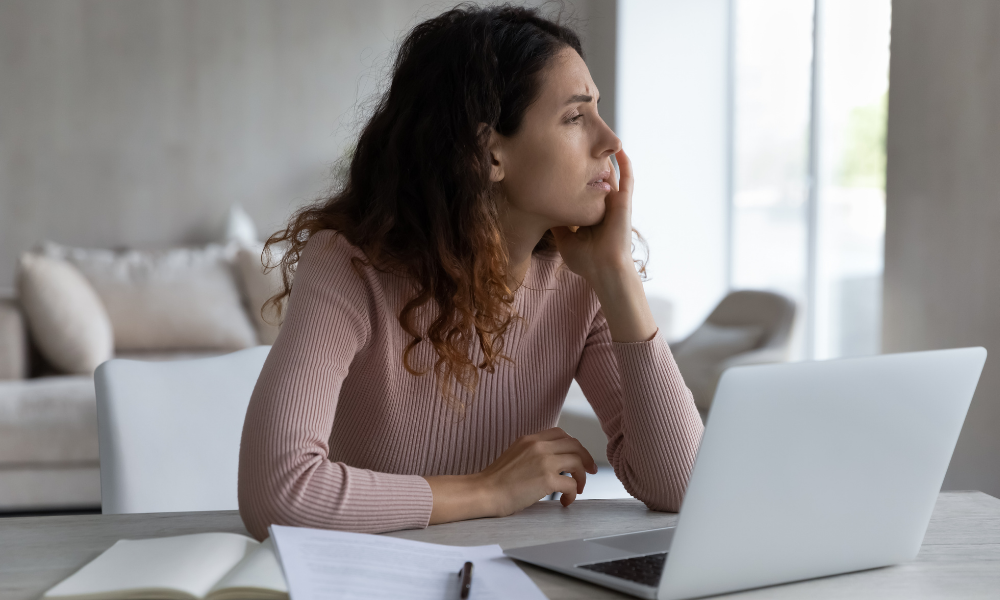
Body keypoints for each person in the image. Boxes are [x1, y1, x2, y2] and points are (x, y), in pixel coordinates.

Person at [238, 4, 704, 540]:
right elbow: (277, 493)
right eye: (576, 117)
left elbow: (684, 485)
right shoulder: (348, 266)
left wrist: (617, 274)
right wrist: (490, 490)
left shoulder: (580, 281)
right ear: (489, 154)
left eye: (597, 111)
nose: (610, 141)